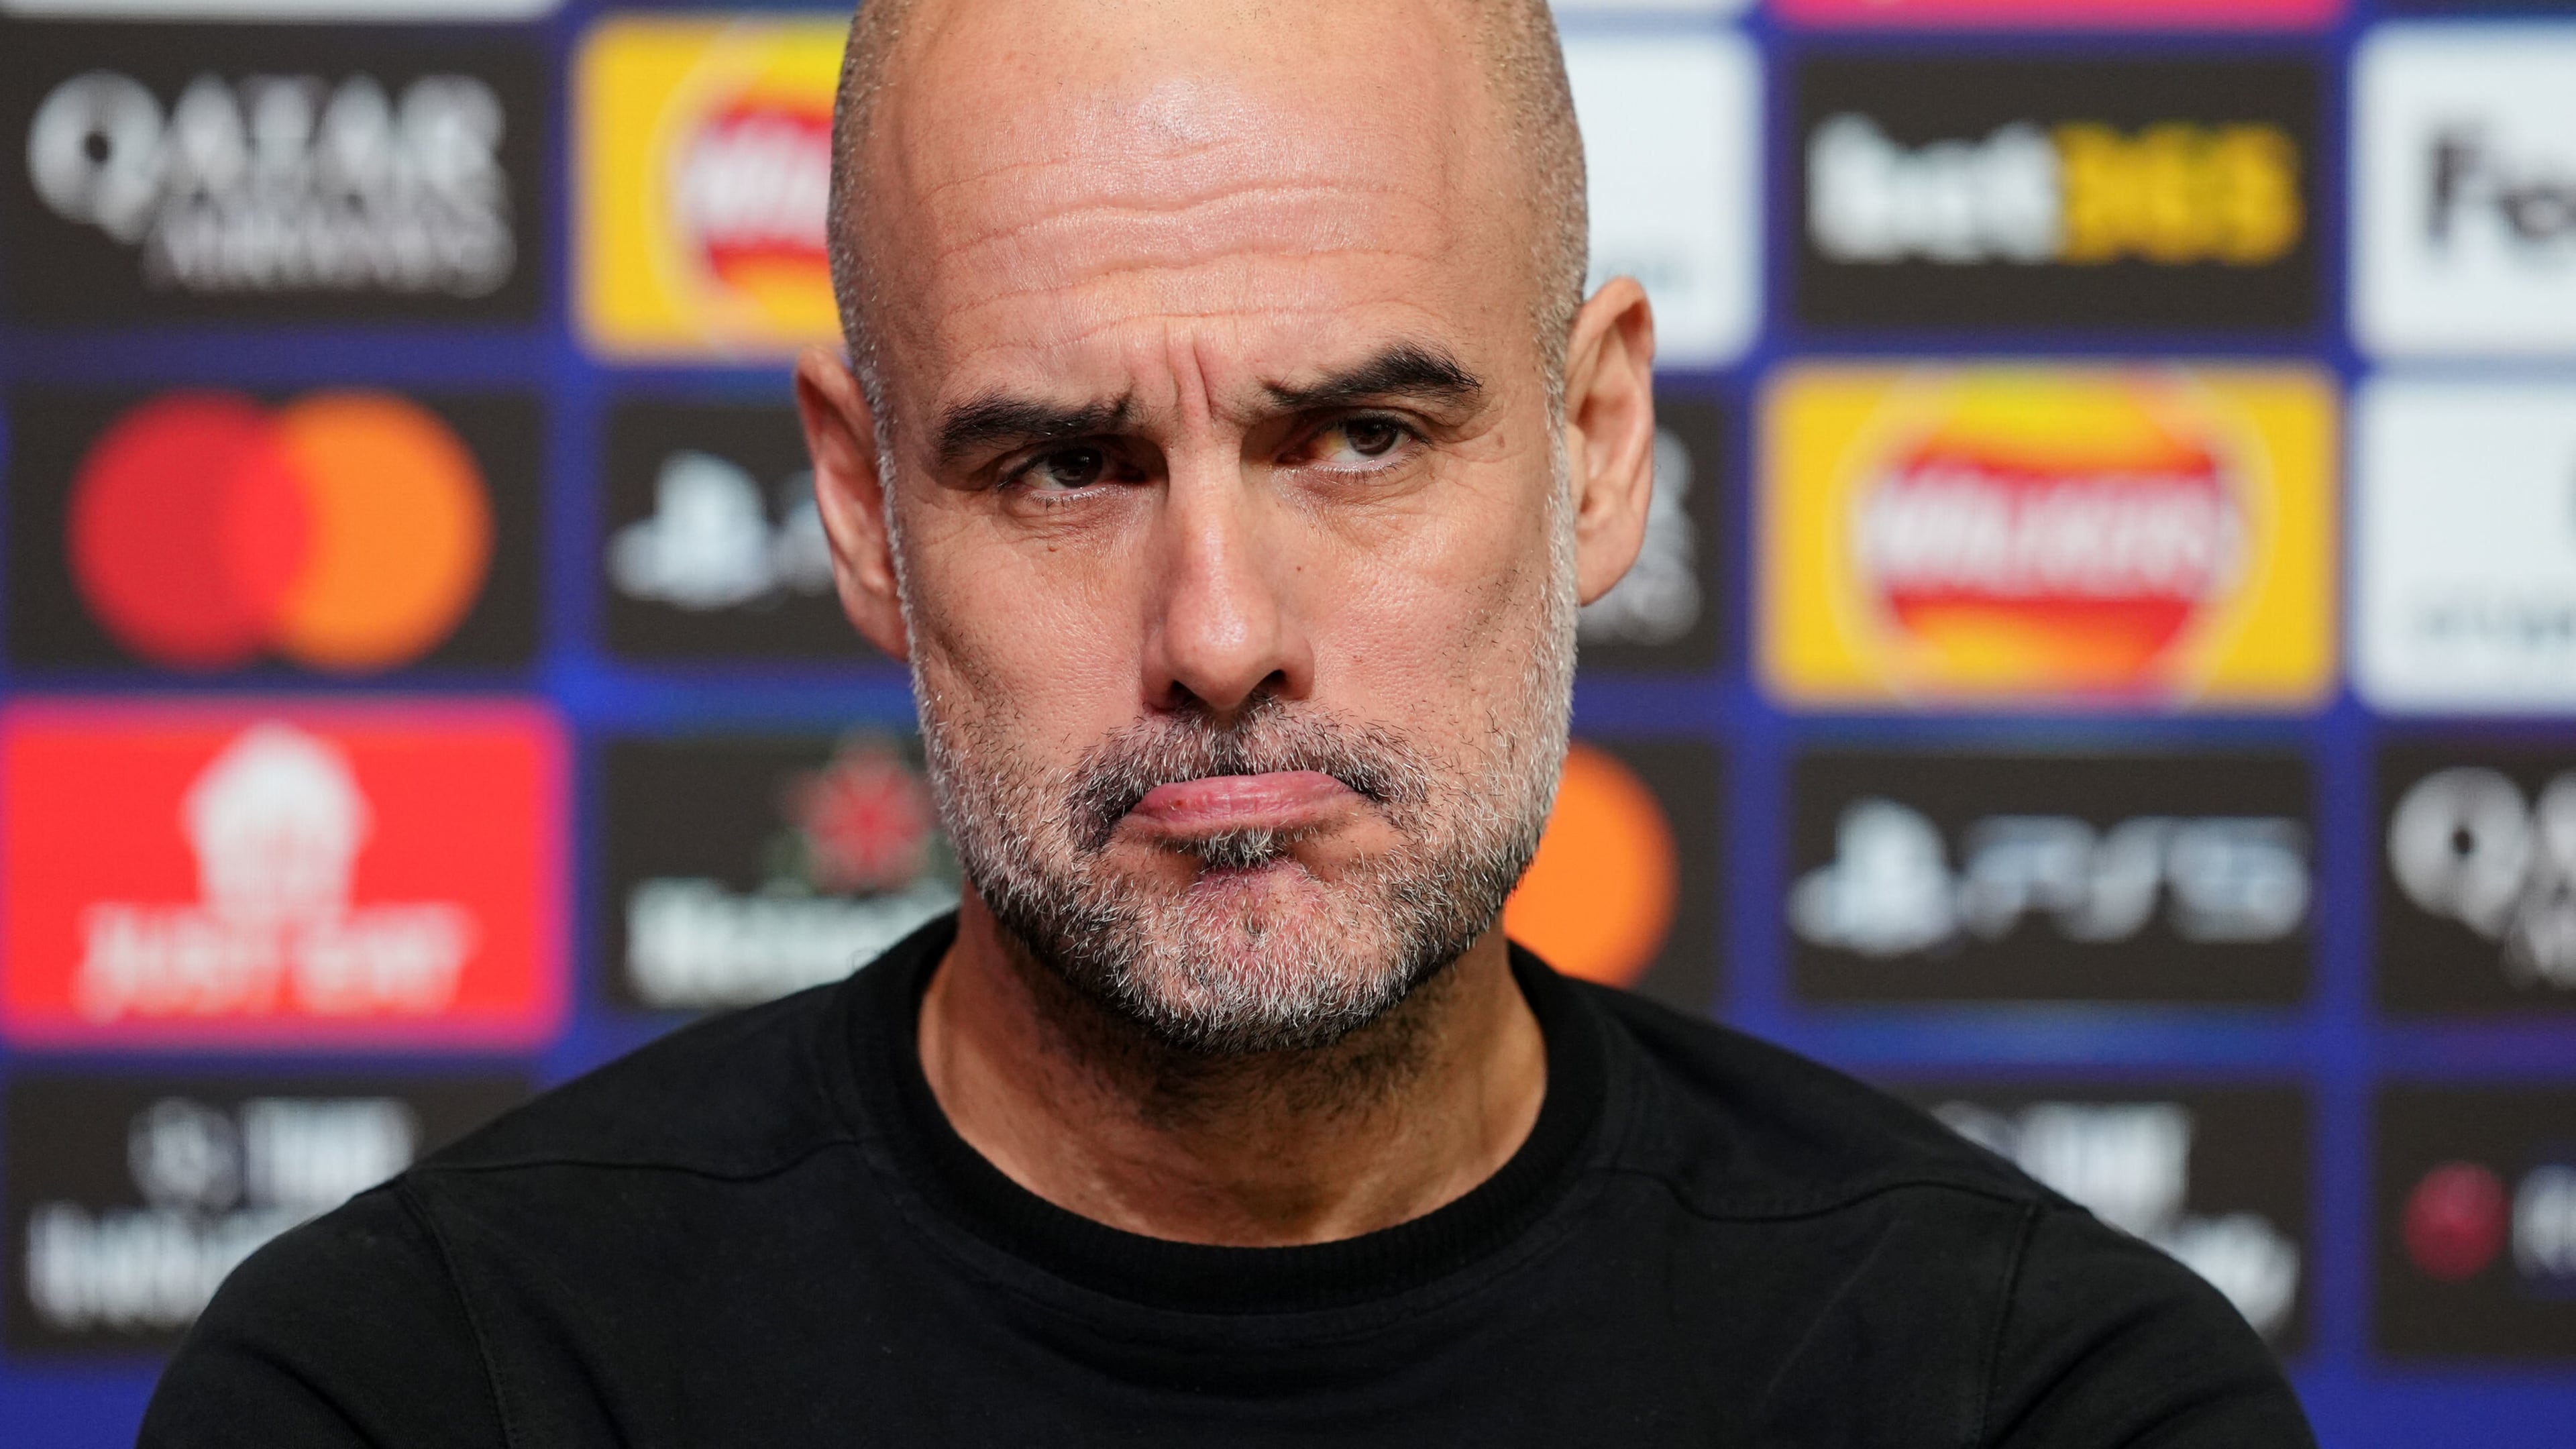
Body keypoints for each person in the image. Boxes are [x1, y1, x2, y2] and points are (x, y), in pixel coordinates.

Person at [142, 0, 2316, 1442]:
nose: (1220, 632)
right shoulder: (424, 1396)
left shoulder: (2043, 1406)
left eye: (1361, 435)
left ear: (1593, 449)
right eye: (1064, 467)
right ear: (863, 510)